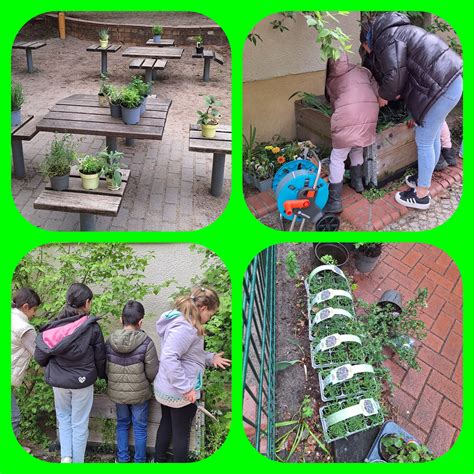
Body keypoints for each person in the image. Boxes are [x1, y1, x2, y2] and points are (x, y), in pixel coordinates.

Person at [360, 12, 463, 210]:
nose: (367, 52)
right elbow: (407, 72)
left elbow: (395, 77)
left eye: (364, 48)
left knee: (424, 139)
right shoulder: (399, 31)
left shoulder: (385, 39)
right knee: (430, 137)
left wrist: (383, 95)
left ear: (367, 40)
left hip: (442, 88)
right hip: (450, 82)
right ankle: (424, 179)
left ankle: (421, 195)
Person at [153, 287, 231, 463]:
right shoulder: (186, 328)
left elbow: (189, 354)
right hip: (180, 391)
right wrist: (186, 388)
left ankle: (158, 461)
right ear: (203, 309)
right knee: (182, 433)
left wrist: (211, 358)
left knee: (167, 423)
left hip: (167, 387)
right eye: (210, 315)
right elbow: (169, 358)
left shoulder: (180, 320)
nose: (209, 319)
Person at [34, 283, 106, 463]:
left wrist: (50, 365)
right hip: (82, 382)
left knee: (63, 418)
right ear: (87, 302)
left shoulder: (53, 327)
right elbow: (100, 357)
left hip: (59, 382)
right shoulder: (92, 327)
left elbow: (40, 355)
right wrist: (102, 375)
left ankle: (66, 458)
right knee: (79, 423)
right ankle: (78, 463)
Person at [324, 53, 380, 213]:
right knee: (357, 146)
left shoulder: (332, 79)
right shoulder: (362, 71)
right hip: (369, 112)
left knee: (337, 157)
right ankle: (358, 183)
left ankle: (334, 201)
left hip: (348, 115)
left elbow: (334, 102)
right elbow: (375, 89)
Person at [106, 301, 159, 463]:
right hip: (140, 394)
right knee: (140, 428)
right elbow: (152, 371)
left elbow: (105, 367)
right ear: (141, 322)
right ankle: (140, 461)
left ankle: (122, 460)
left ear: (121, 319)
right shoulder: (147, 342)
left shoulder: (109, 341)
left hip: (117, 393)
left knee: (122, 424)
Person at [11, 288, 41, 448]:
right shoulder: (25, 328)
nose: (34, 314)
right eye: (34, 310)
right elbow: (40, 354)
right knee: (13, 417)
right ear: (25, 307)